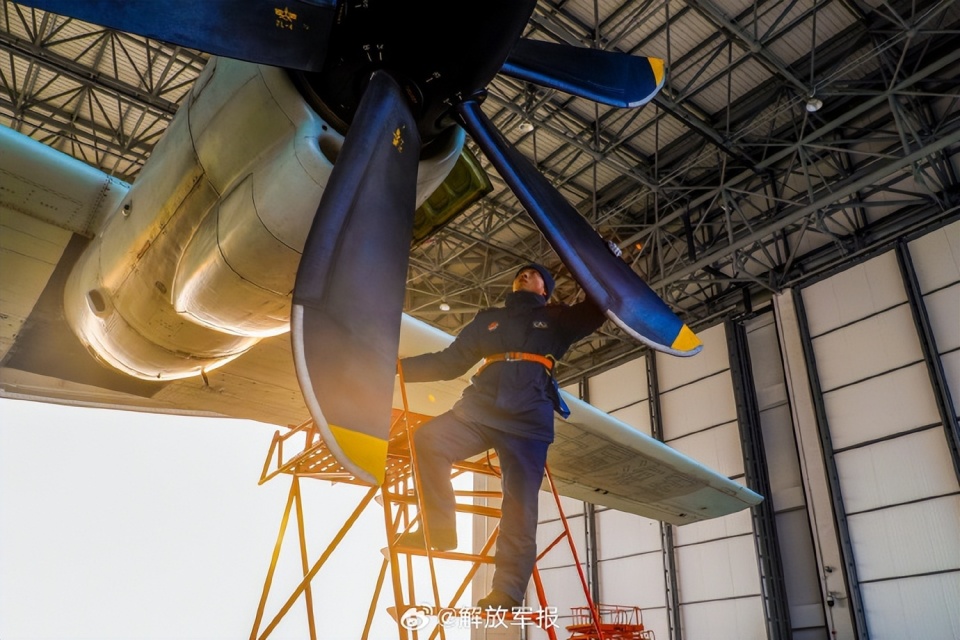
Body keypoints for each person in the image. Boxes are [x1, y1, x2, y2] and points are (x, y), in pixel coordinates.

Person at [397, 262, 606, 610]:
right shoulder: (487, 320)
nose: (523, 274)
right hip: (481, 409)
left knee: (520, 507)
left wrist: (598, 264)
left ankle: (507, 593)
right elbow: (450, 362)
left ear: (545, 290)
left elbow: (596, 310)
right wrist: (399, 369)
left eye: (533, 273)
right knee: (429, 439)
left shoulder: (558, 319)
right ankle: (439, 530)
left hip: (529, 419)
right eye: (519, 272)